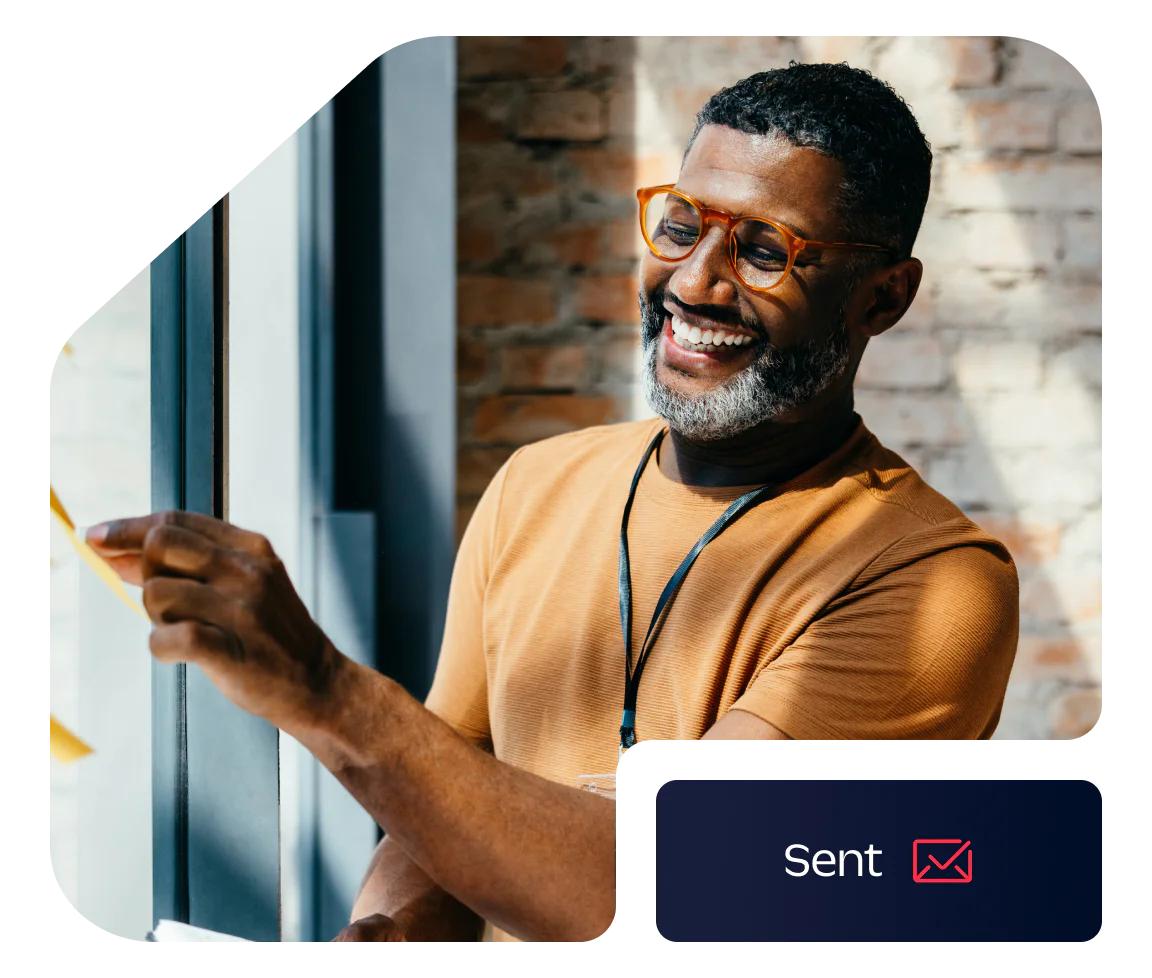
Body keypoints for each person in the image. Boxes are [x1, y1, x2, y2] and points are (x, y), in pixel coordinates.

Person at [86, 62, 1019, 944]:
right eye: (684, 225)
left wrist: (330, 695)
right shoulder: (539, 483)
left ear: (883, 297)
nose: (695, 283)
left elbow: (679, 883)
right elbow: (444, 799)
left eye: (767, 249)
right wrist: (395, 926)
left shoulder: (932, 583)